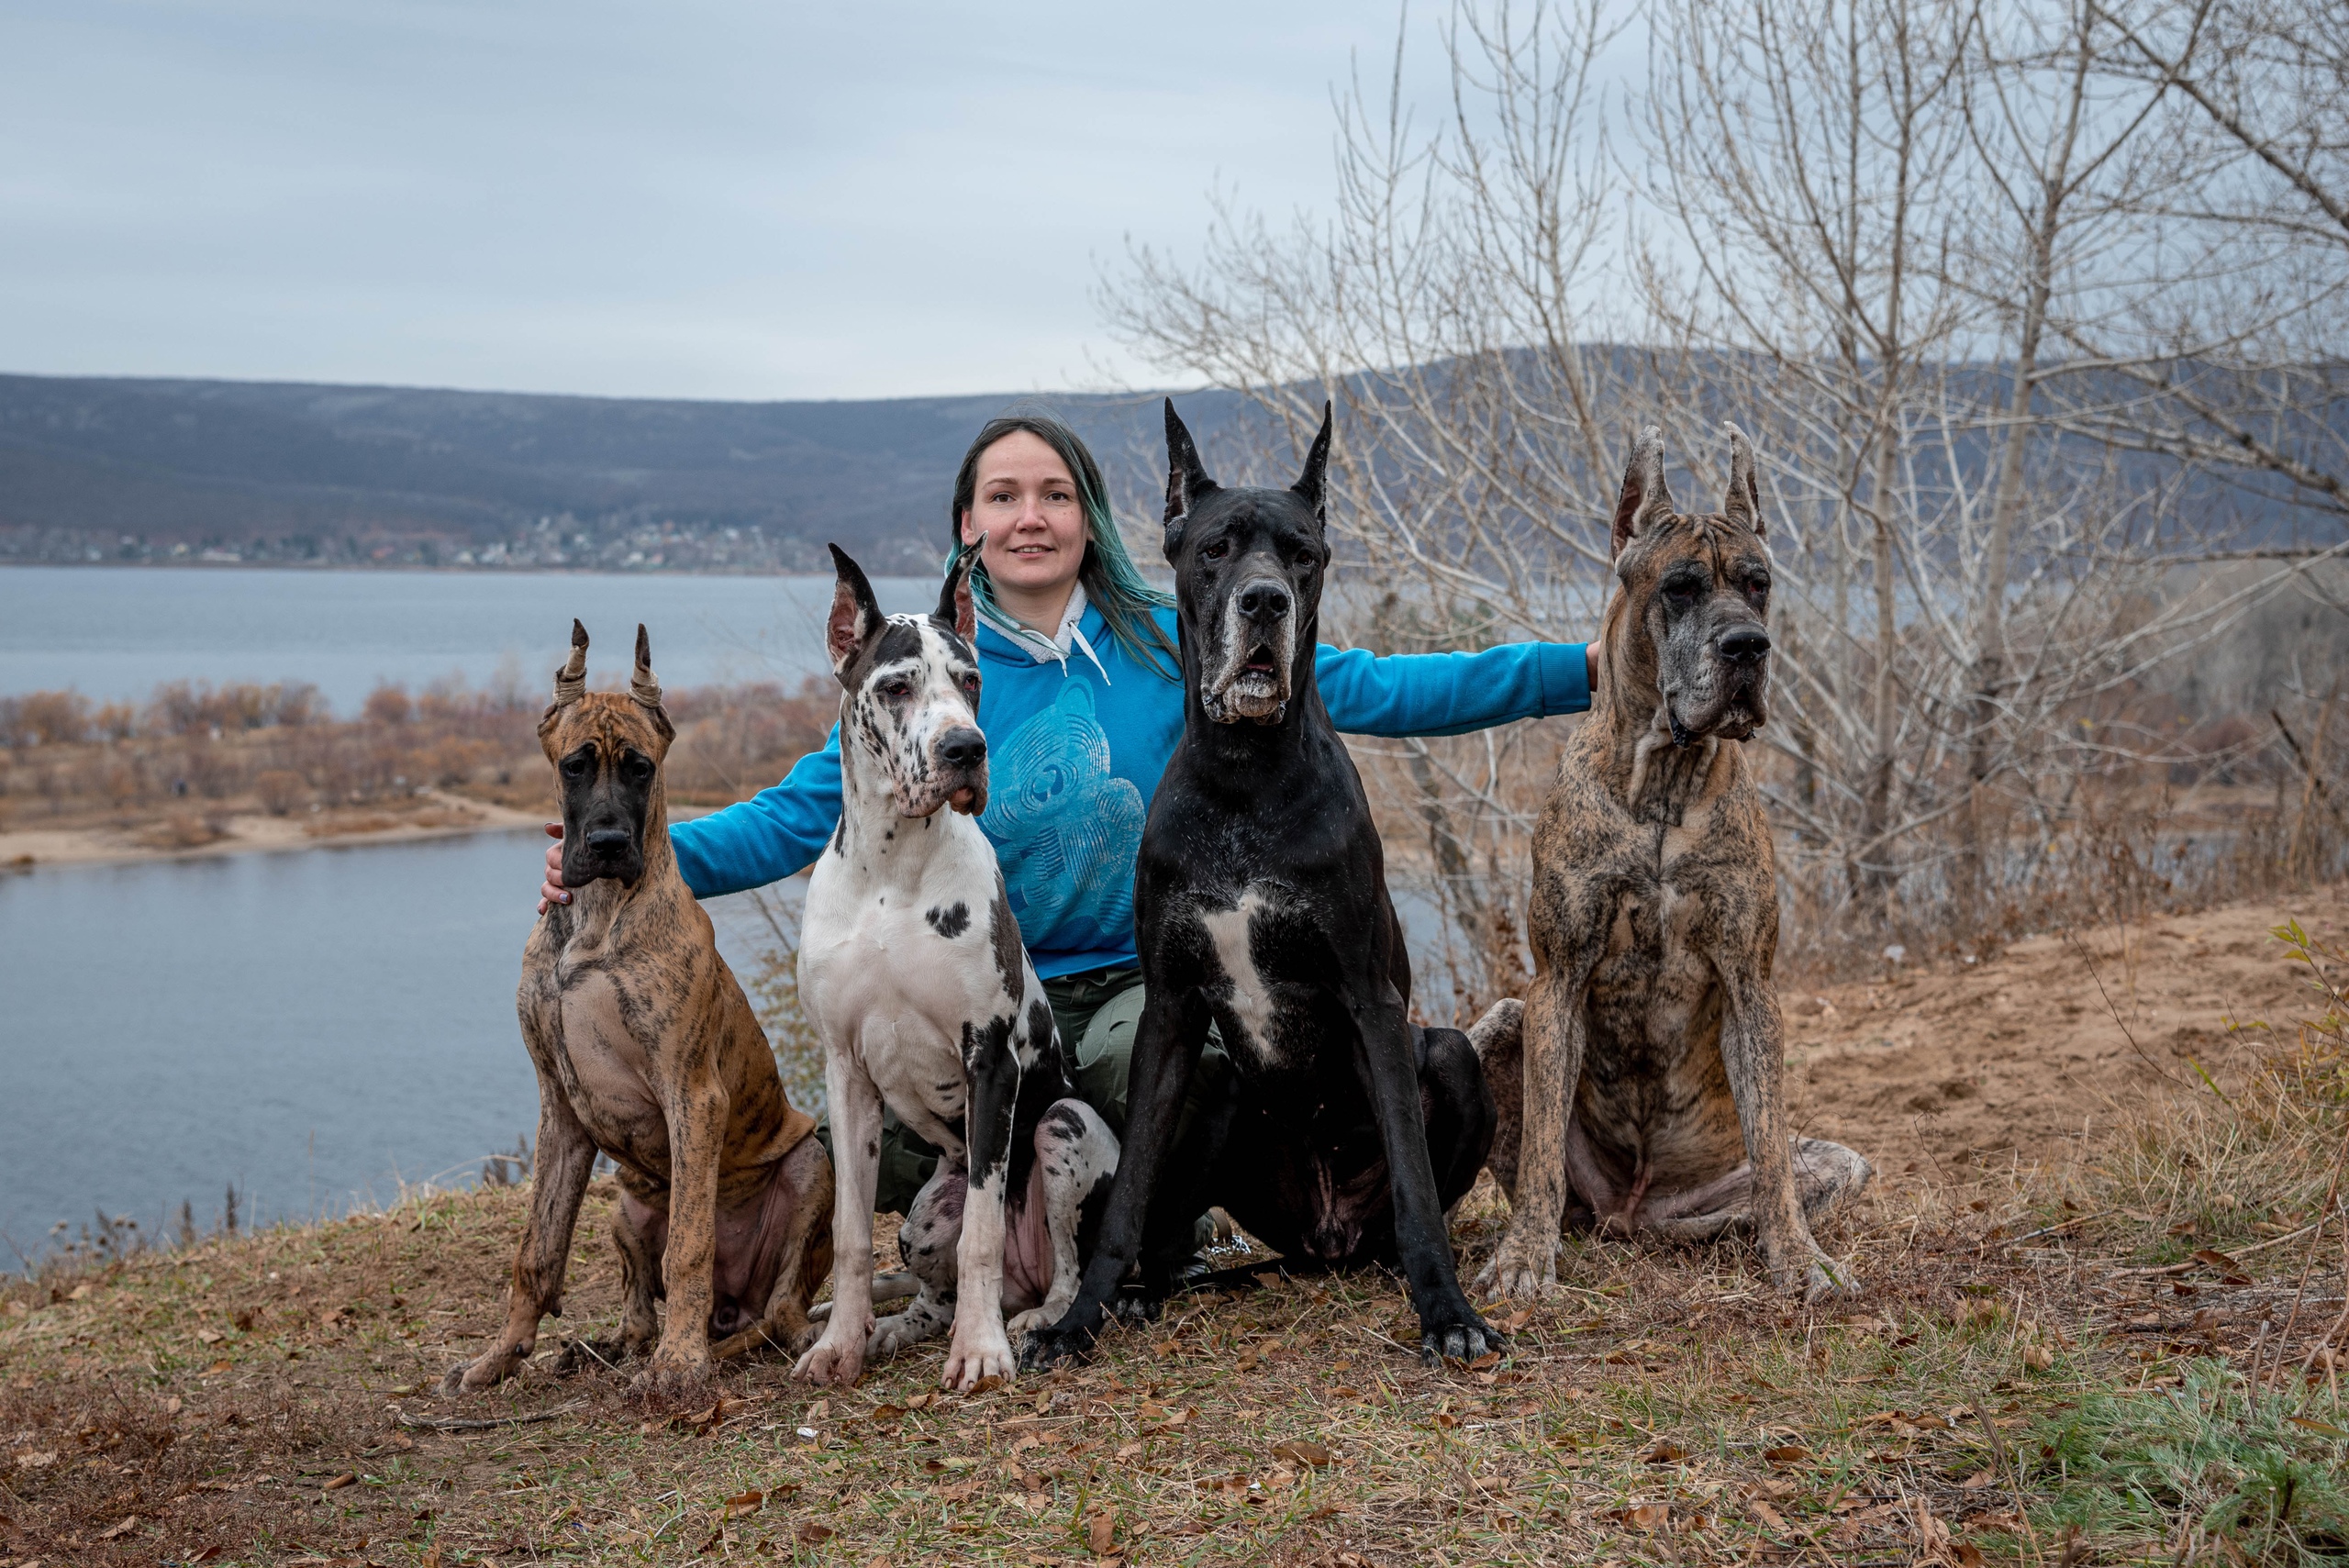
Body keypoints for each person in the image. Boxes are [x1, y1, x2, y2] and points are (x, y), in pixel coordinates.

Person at [539, 409, 1592, 1216]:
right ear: (968, 526)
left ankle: (1125, 1209)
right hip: (993, 1000)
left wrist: (1587, 669)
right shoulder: (926, 676)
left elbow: (1386, 688)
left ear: (1090, 519)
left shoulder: (1175, 640)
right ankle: (1028, 1186)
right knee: (881, 1153)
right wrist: (621, 851)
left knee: (1191, 1087)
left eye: (1053, 493)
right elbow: (789, 817)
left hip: (1142, 990)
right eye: (1002, 496)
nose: (1028, 515)